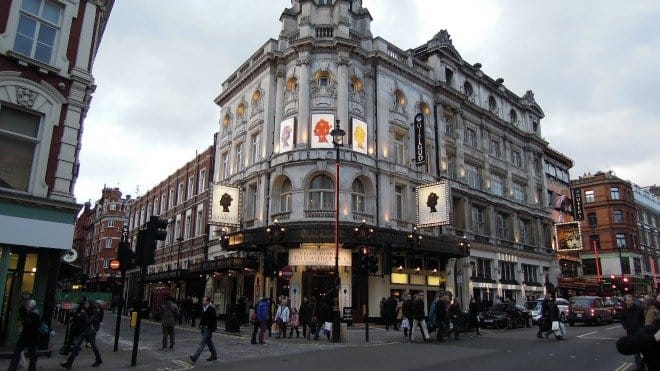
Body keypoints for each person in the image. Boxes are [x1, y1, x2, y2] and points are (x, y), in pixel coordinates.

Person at [60, 299, 103, 369]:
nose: (85, 305)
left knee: (94, 346)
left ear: (90, 305)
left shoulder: (94, 312)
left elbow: (88, 321)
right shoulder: (86, 311)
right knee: (76, 346)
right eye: (85, 303)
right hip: (84, 331)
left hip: (90, 332)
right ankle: (69, 363)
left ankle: (99, 359)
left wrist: (84, 314)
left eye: (87, 303)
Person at [7, 299, 41, 371]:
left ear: (29, 305)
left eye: (27, 304)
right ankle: (32, 368)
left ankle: (12, 368)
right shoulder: (35, 315)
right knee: (32, 354)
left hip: (26, 337)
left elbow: (26, 321)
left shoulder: (29, 314)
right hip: (31, 338)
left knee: (18, 352)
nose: (26, 305)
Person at [189, 296, 218, 362]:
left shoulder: (211, 309)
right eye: (202, 300)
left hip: (208, 328)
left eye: (204, 300)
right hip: (203, 327)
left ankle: (195, 357)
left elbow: (214, 319)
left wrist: (213, 328)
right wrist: (200, 325)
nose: (203, 301)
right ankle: (214, 355)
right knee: (209, 342)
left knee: (203, 343)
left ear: (208, 301)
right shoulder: (202, 308)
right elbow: (202, 318)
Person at [620, 294, 645, 370]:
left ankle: (646, 363)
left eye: (631, 300)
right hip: (631, 332)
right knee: (636, 350)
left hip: (639, 331)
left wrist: (642, 328)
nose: (630, 302)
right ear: (625, 301)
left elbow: (643, 318)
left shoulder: (638, 308)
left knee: (643, 349)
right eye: (628, 300)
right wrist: (626, 326)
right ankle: (639, 367)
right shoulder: (623, 310)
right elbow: (622, 319)